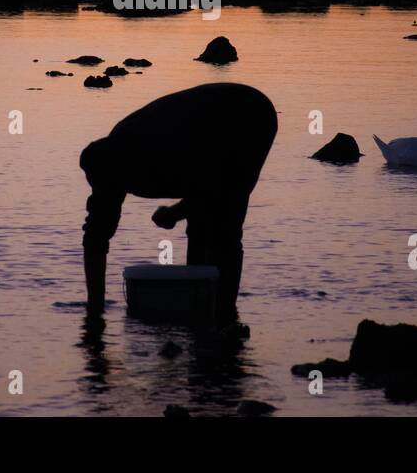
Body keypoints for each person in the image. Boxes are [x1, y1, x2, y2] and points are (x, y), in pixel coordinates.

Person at [80, 82, 278, 321]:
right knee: (200, 226)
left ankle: (224, 313)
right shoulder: (115, 156)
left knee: (225, 227)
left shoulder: (156, 152)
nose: (102, 191)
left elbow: (215, 188)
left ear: (120, 170)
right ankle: (199, 303)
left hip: (246, 116)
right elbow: (95, 235)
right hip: (201, 132)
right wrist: (95, 310)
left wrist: (175, 212)